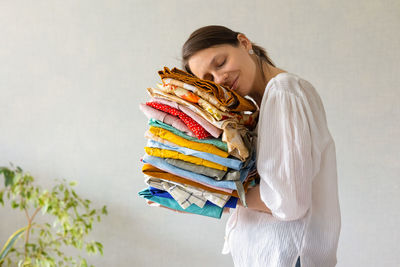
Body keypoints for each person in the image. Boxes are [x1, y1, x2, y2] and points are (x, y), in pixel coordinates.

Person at [181, 25, 341, 267]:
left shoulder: (283, 91)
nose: (220, 79)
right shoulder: (264, 103)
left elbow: (287, 202)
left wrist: (215, 193)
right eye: (208, 80)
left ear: (244, 43)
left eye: (221, 62)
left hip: (285, 256)